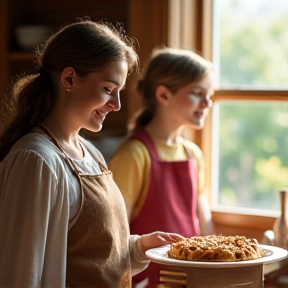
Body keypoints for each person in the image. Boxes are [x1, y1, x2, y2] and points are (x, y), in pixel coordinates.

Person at [0, 18, 184, 288]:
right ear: (70, 78)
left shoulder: (91, 153)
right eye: (108, 89)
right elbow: (19, 275)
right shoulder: (36, 160)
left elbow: (93, 256)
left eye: (119, 92)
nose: (117, 105)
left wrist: (139, 247)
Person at [108, 47, 216, 287]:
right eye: (198, 93)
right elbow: (114, 235)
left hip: (191, 281)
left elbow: (204, 226)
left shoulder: (193, 154)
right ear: (164, 95)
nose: (208, 102)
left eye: (209, 94)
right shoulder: (133, 155)